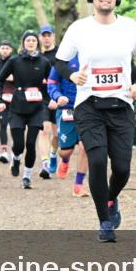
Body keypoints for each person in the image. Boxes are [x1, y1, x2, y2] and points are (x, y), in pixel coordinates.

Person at [54, 0, 136, 242]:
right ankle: (104, 222)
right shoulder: (78, 29)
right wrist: (72, 76)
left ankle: (111, 198)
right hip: (89, 105)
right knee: (96, 160)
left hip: (121, 104)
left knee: (122, 169)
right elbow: (60, 61)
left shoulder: (130, 27)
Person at [0, 30, 52, 189]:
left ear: (37, 43)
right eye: (28, 40)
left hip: (36, 109)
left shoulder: (44, 62)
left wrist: (48, 101)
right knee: (19, 144)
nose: (31, 43)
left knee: (31, 143)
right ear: (23, 43)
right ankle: (16, 158)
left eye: (34, 40)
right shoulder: (14, 61)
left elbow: (51, 84)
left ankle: (27, 176)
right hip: (17, 108)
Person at [46, 53, 90, 197]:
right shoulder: (64, 59)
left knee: (86, 147)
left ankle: (78, 185)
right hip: (67, 109)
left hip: (89, 109)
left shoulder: (94, 55)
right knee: (66, 151)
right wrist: (58, 96)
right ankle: (64, 160)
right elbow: (51, 82)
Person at [38, 23, 60, 178]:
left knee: (57, 133)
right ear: (40, 38)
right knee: (44, 131)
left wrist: (58, 97)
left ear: (53, 37)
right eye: (43, 36)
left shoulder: (61, 54)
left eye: (49, 35)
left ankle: (53, 153)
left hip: (59, 98)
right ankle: (45, 164)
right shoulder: (37, 56)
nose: (46, 38)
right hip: (41, 99)